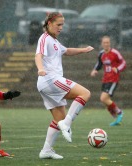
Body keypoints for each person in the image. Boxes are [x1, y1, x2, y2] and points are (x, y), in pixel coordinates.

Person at [35, 12, 94, 159]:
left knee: (58, 118)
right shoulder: (44, 38)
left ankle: (46, 150)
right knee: (85, 93)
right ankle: (67, 124)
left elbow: (66, 51)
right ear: (49, 23)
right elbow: (38, 55)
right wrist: (40, 68)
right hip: (50, 80)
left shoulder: (54, 41)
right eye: (58, 24)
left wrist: (84, 50)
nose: (61, 27)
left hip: (47, 84)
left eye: (62, 25)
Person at [90, 36, 126, 126]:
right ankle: (116, 118)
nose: (106, 44)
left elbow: (123, 63)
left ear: (110, 43)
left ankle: (119, 112)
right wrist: (95, 70)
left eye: (107, 42)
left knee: (103, 98)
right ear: (102, 44)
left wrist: (117, 69)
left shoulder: (115, 53)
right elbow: (99, 63)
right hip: (105, 79)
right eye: (104, 42)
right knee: (105, 100)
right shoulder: (101, 53)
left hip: (113, 79)